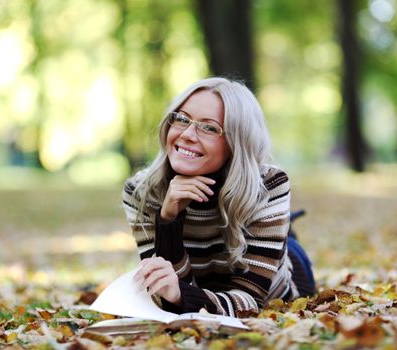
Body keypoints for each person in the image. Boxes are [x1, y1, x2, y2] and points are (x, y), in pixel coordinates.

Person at [123, 77, 315, 317]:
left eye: (209, 127)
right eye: (182, 119)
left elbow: (251, 301)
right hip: (209, 287)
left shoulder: (269, 184)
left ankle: (284, 230)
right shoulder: (141, 191)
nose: (188, 134)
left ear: (236, 142)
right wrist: (168, 220)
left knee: (289, 249)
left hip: (281, 281)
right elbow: (168, 297)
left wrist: (181, 295)